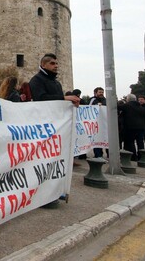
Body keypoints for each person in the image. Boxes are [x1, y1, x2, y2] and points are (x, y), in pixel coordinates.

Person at [28, 53, 79, 208]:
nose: (56, 65)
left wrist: (70, 104)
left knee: (53, 162)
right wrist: (64, 99)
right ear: (43, 65)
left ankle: (52, 191)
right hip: (42, 127)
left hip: (55, 128)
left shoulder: (55, 83)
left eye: (56, 63)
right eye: (52, 63)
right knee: (41, 162)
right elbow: (40, 99)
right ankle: (41, 194)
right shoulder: (36, 80)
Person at [118, 94, 145, 160]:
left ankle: (132, 157)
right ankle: (141, 157)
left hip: (130, 128)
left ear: (128, 99)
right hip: (141, 128)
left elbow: (117, 107)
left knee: (129, 142)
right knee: (140, 143)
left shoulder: (127, 105)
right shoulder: (141, 107)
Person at [88, 87, 107, 158]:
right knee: (96, 139)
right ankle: (98, 155)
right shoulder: (92, 99)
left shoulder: (105, 100)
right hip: (95, 123)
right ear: (95, 93)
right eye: (100, 92)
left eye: (102, 92)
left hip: (104, 123)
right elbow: (89, 108)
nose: (101, 93)